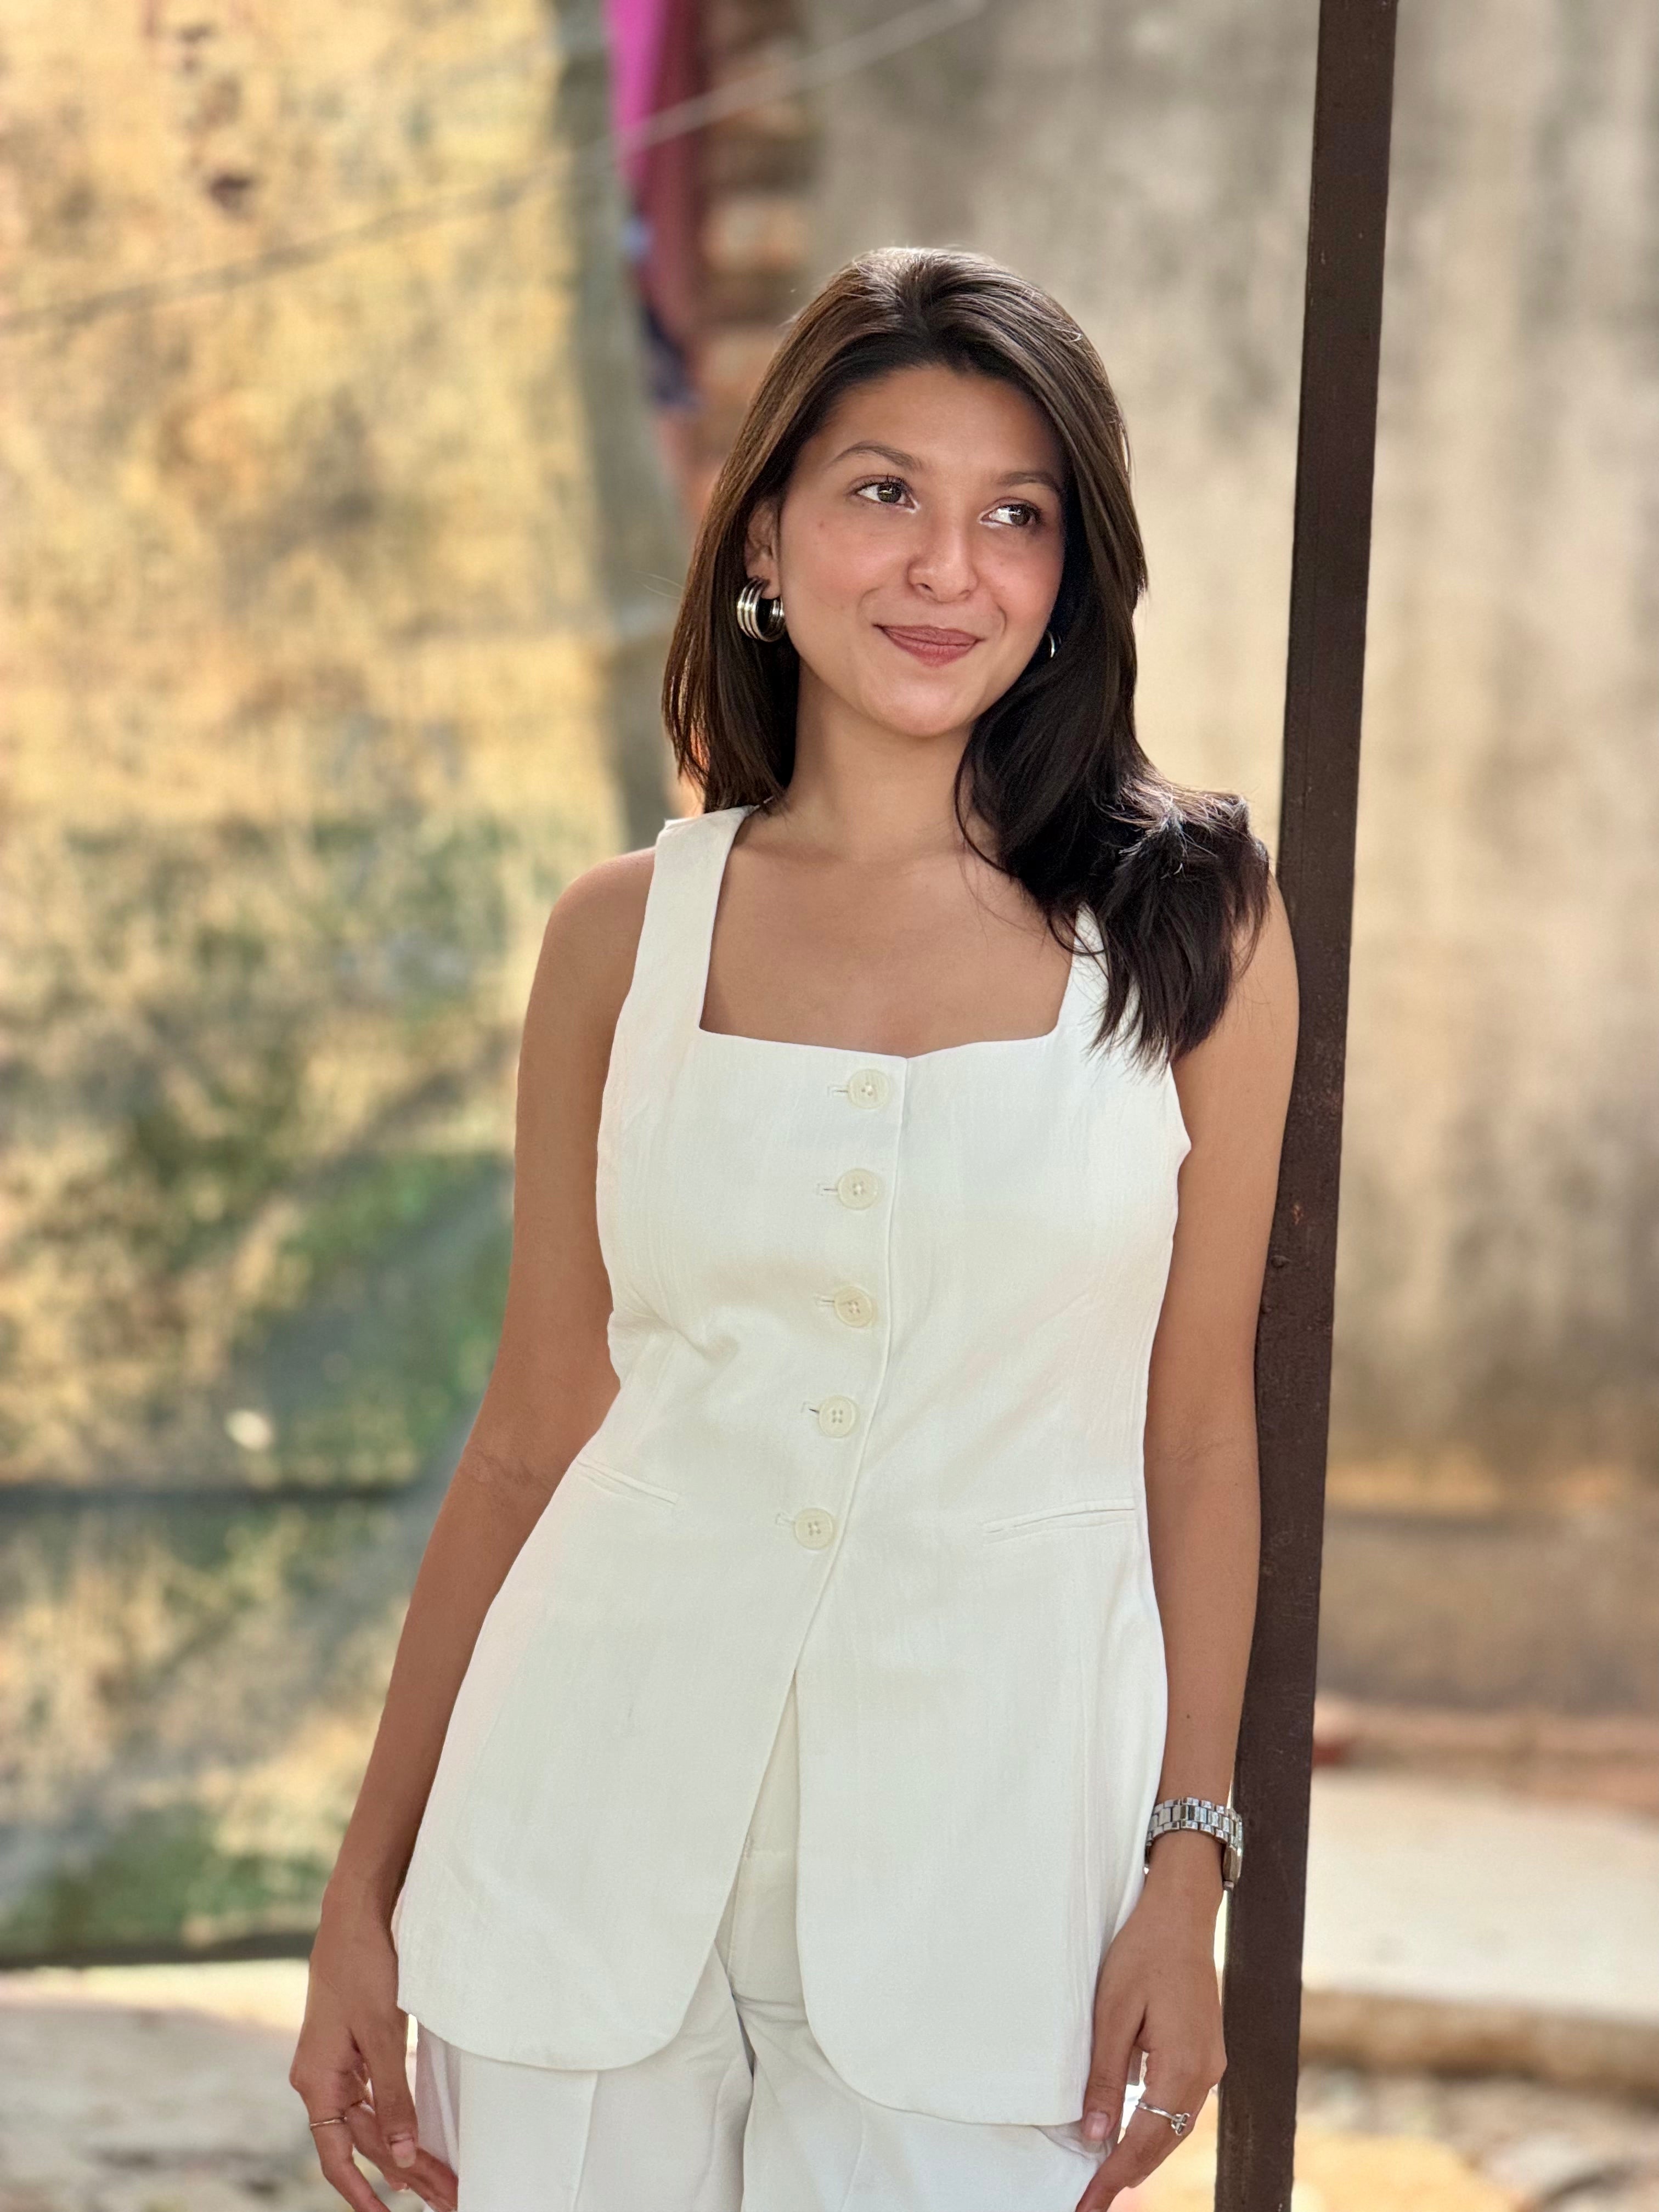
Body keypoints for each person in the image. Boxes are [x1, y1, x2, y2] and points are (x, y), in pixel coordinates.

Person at [289, 244, 1299, 2212]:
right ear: (765, 534)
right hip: (575, 1847)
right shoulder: (621, 938)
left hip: (993, 1891)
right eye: (884, 492)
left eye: (1017, 516)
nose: (948, 569)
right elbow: (532, 1427)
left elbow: (1196, 1434)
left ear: (1073, 576)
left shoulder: (1192, 936)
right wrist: (366, 1884)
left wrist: (1192, 1867)